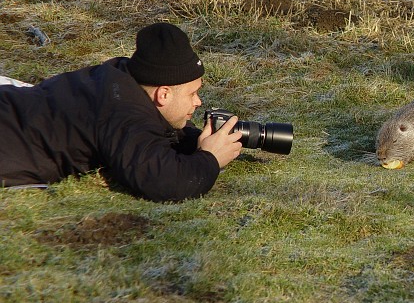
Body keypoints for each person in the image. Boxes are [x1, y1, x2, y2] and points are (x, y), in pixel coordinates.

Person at [0, 22, 243, 202]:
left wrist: (195, 141)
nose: (199, 102)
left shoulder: (118, 77)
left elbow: (155, 128)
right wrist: (210, 159)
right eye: (192, 93)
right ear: (164, 94)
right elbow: (163, 180)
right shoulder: (124, 115)